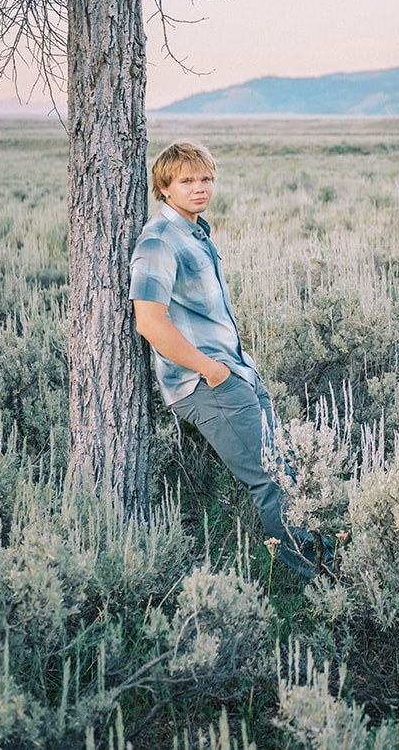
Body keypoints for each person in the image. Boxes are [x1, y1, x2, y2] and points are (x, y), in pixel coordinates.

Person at [130, 140, 328, 580]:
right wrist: (212, 371)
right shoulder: (159, 241)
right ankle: (312, 581)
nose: (199, 188)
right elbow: (150, 322)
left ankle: (324, 559)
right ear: (164, 188)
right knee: (270, 481)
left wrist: (232, 368)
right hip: (208, 384)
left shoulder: (195, 231)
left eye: (205, 179)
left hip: (235, 372)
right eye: (187, 181)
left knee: (284, 471)